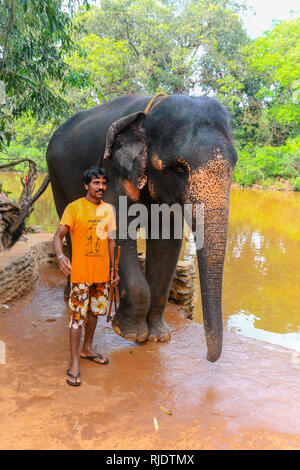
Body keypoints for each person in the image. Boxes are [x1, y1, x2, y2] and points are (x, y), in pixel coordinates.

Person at [53, 166, 119, 387]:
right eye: (95, 183)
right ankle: (73, 362)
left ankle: (87, 348)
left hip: (101, 275)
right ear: (86, 185)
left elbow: (111, 241)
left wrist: (113, 271)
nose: (100, 187)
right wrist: (61, 256)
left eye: (103, 183)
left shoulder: (109, 210)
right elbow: (58, 236)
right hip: (80, 274)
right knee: (76, 318)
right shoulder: (74, 208)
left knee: (95, 313)